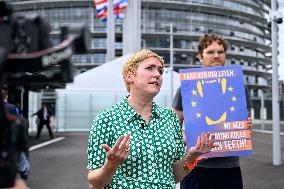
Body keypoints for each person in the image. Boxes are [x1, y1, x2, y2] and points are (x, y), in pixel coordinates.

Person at [87, 49, 216, 189]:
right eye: (150, 68)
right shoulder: (106, 119)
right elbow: (94, 183)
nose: (157, 74)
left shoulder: (170, 118)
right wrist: (110, 166)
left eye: (160, 71)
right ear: (130, 76)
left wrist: (191, 157)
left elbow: (175, 176)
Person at [172, 33, 252, 189]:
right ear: (200, 57)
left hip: (230, 168)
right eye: (210, 52)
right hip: (195, 167)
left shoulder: (239, 87)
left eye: (220, 52)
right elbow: (173, 128)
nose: (216, 56)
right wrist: (190, 139)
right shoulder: (186, 88)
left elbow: (247, 124)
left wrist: (246, 127)